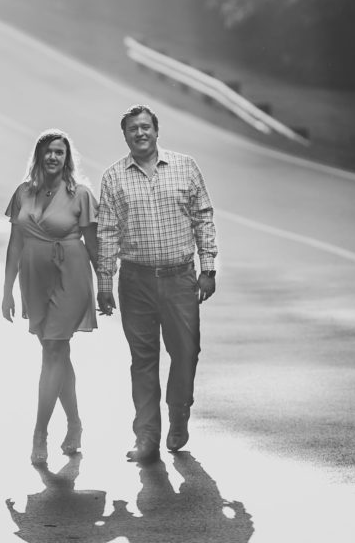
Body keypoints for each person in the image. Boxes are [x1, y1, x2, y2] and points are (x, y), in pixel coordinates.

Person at [97, 104, 217, 464]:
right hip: (136, 281)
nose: (140, 133)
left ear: (156, 130)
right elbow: (106, 231)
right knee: (143, 361)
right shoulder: (114, 177)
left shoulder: (185, 166)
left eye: (145, 126)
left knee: (186, 352)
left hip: (180, 278)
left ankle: (178, 413)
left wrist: (207, 267)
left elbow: (203, 216)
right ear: (125, 135)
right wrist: (105, 282)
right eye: (132, 129)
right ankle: (147, 436)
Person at [2, 129, 98, 465]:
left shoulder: (81, 194)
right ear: (39, 156)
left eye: (60, 152)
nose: (54, 157)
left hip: (70, 275)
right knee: (56, 350)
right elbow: (15, 244)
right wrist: (6, 290)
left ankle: (39, 433)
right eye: (48, 151)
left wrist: (106, 286)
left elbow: (94, 244)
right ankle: (74, 423)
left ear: (67, 158)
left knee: (54, 349)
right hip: (34, 278)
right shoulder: (23, 193)